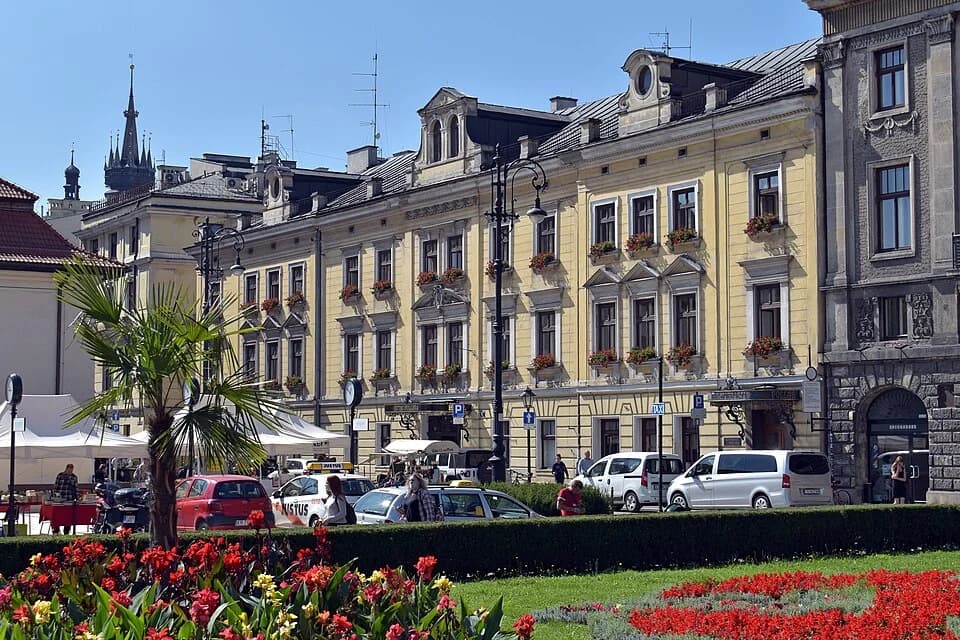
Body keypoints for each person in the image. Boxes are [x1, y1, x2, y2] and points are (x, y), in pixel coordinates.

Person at [52, 463, 79, 535]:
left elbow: (76, 488)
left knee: (68, 517)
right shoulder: (60, 475)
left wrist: (77, 498)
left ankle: (66, 531)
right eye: (69, 470)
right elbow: (56, 487)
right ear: (66, 469)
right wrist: (55, 496)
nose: (70, 472)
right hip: (60, 500)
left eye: (71, 470)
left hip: (69, 499)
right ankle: (56, 530)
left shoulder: (74, 477)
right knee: (58, 516)